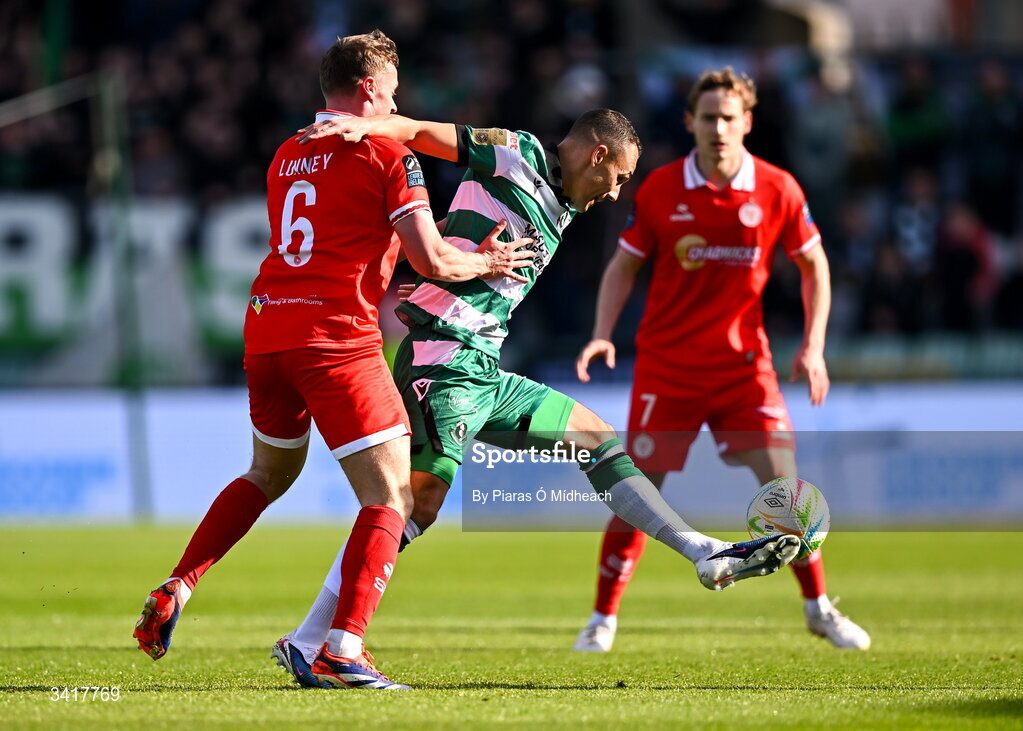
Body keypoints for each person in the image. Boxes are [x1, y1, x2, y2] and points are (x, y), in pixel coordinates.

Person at [268, 105, 804, 689]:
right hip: (442, 358)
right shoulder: (513, 153)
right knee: (411, 504)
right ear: (597, 155)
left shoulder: (569, 205)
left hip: (482, 370)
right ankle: (328, 644)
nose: (617, 192)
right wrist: (362, 126)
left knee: (594, 437)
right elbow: (422, 133)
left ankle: (703, 552)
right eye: (619, 176)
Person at [131, 30, 535, 691]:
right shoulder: (386, 151)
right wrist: (487, 260)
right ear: (372, 89)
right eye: (395, 91)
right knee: (392, 495)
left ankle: (180, 582)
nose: (399, 103)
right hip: (334, 337)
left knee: (267, 471)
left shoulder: (287, 151)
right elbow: (430, 259)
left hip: (267, 329)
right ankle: (341, 650)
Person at [571, 68, 871, 653]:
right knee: (638, 490)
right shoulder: (659, 189)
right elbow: (623, 265)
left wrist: (812, 345)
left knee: (787, 490)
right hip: (669, 368)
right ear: (690, 122)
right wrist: (602, 332)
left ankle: (818, 608)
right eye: (707, 117)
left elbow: (816, 266)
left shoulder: (779, 189)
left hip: (744, 369)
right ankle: (602, 618)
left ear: (747, 122)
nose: (718, 128)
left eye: (728, 117)